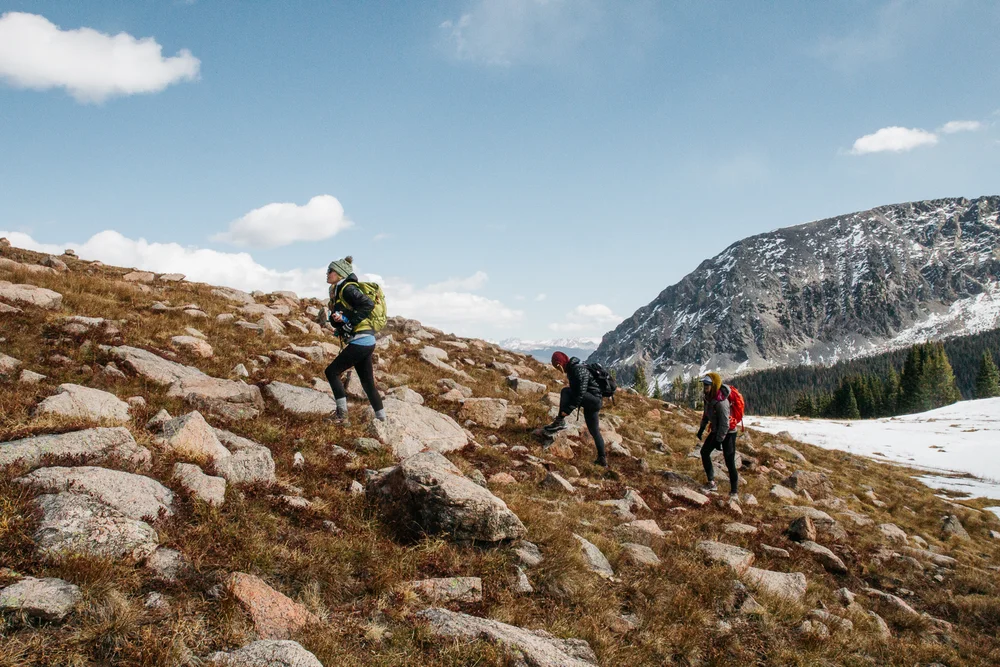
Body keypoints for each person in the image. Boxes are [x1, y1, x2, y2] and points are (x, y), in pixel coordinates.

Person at [322, 256, 385, 425]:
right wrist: (339, 319)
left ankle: (342, 417)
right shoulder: (338, 291)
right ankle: (382, 421)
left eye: (330, 271)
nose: (327, 273)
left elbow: (368, 304)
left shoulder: (347, 288)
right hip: (366, 341)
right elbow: (341, 319)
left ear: (340, 273)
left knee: (331, 372)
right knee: (367, 384)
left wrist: (350, 322)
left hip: (360, 341)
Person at [542, 351, 607, 467]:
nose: (558, 370)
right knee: (594, 431)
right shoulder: (574, 369)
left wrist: (566, 411)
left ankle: (560, 421)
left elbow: (579, 395)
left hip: (593, 400)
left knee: (565, 391)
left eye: (557, 367)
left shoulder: (578, 370)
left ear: (559, 364)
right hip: (593, 402)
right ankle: (602, 459)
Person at [696, 372, 738, 497]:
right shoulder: (708, 397)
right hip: (716, 430)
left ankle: (734, 492)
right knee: (704, 452)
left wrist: (719, 440)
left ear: (713, 385)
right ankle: (711, 483)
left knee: (729, 461)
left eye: (707, 385)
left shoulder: (721, 402)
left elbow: (725, 424)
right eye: (704, 384)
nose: (705, 387)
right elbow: (706, 414)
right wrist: (701, 428)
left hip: (729, 433)